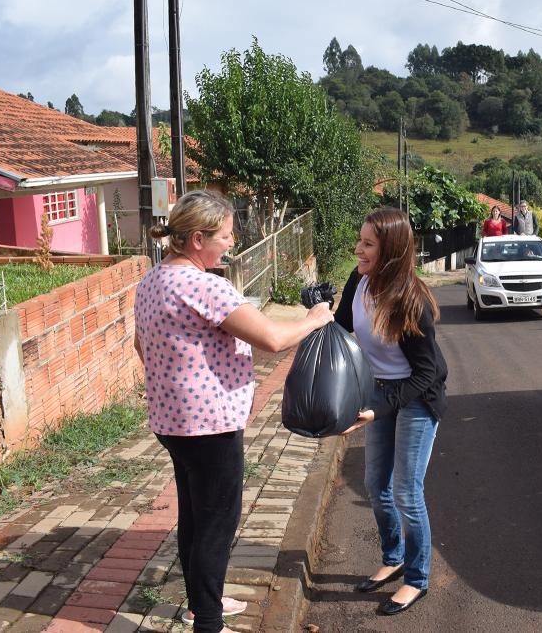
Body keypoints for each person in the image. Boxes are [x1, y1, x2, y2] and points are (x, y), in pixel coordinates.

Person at [133, 191, 333, 633]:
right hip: (211, 425)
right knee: (216, 524)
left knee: (194, 515)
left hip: (173, 421)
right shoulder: (205, 285)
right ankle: (208, 621)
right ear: (197, 238)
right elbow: (274, 340)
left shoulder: (152, 280)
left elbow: (140, 346)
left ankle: (201, 601)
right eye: (224, 236)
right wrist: (317, 318)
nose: (231, 243)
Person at [334, 208, 448, 617]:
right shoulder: (359, 280)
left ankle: (416, 578)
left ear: (391, 251)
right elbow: (342, 322)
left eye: (367, 244)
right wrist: (313, 305)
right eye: (359, 241)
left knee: (406, 490)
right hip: (379, 392)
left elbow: (428, 372)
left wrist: (377, 409)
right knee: (374, 482)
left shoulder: (411, 301)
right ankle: (393, 556)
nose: (357, 250)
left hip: (418, 396)